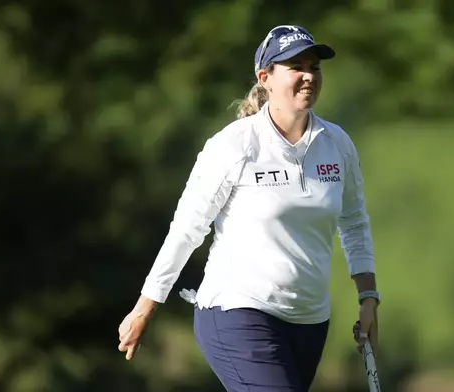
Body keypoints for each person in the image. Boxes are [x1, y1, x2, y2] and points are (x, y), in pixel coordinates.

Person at [118, 24, 381, 392]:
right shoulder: (234, 145)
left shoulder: (337, 144)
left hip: (309, 322)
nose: (308, 76)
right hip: (237, 313)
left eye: (315, 67)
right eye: (296, 67)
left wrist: (368, 297)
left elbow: (353, 223)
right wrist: (145, 306)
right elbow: (187, 228)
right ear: (266, 78)